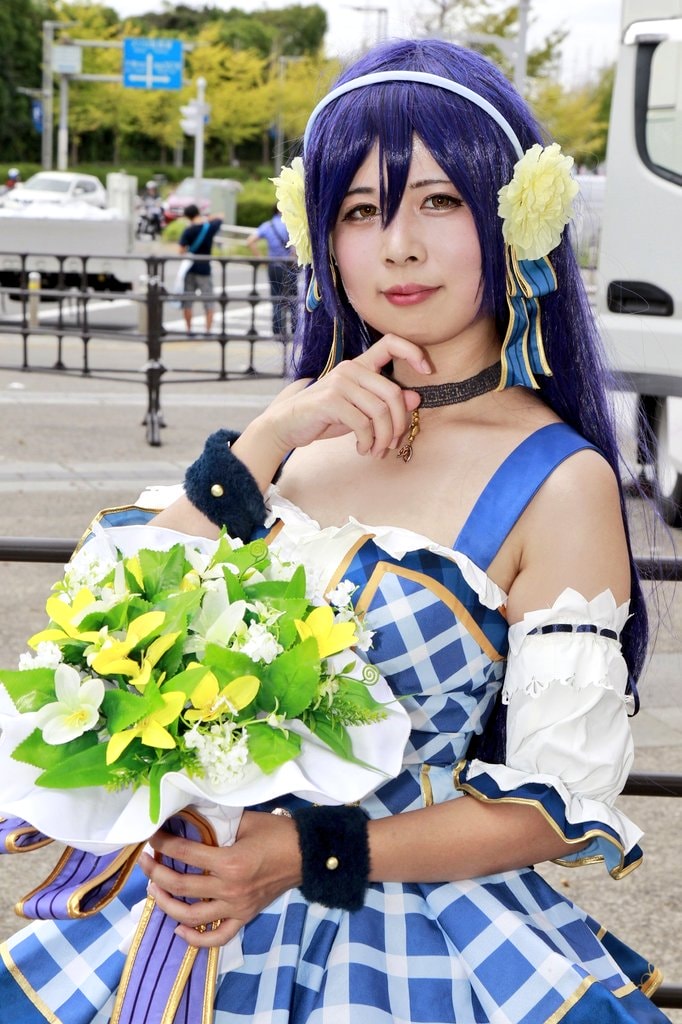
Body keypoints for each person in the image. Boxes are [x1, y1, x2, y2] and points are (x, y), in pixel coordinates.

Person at [0, 38, 672, 1024]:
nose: (398, 245)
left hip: (405, 941)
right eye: (359, 210)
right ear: (320, 239)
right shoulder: (296, 434)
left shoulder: (558, 479)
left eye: (438, 201)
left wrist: (301, 854)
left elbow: (553, 805)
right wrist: (266, 439)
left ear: (515, 221)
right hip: (182, 919)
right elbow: (103, 622)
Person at [246, 204, 299, 338]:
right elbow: (296, 245)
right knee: (292, 298)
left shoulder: (267, 225)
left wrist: (261, 259)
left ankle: (278, 331)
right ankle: (294, 330)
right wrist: (294, 257)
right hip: (289, 266)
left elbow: (250, 241)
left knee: (276, 297)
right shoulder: (290, 224)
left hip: (273, 265)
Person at [178, 203, 223, 334]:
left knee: (188, 301)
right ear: (198, 213)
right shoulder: (209, 227)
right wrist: (207, 218)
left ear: (188, 216)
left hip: (190, 268)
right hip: (205, 269)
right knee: (208, 301)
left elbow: (181, 251)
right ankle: (207, 331)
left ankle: (189, 330)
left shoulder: (188, 230)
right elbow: (220, 217)